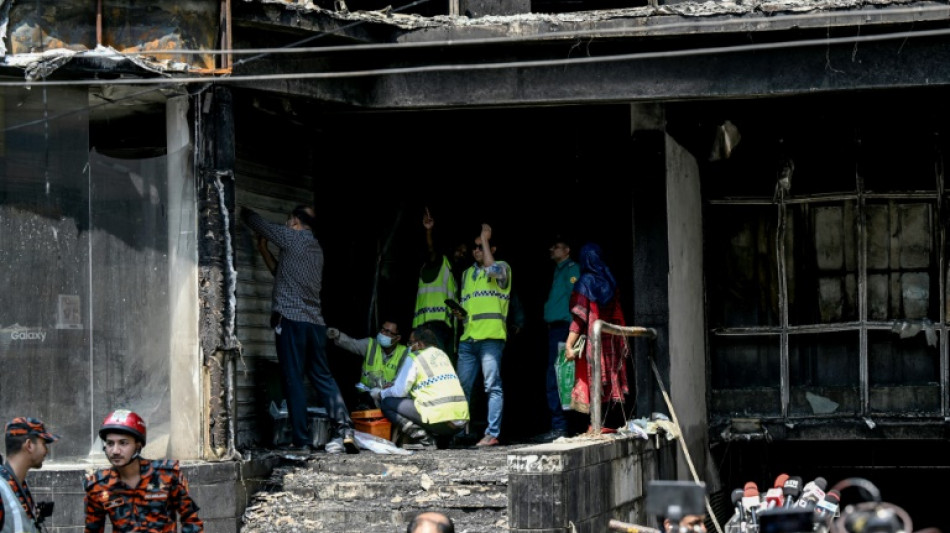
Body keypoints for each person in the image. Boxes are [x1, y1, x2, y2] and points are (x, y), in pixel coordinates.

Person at [241, 204, 359, 455]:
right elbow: (281, 273)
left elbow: (258, 223)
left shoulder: (291, 238)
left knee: (293, 379)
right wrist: (263, 249)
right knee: (323, 378)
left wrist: (243, 211)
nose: (287, 223)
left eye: (289, 219)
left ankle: (301, 440)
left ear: (295, 221)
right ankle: (345, 429)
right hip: (315, 324)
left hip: (292, 322)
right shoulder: (316, 249)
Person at [84, 410, 203, 533]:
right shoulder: (98, 486)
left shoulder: (167, 475)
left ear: (138, 445)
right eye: (110, 443)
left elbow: (191, 519)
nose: (115, 451)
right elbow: (92, 529)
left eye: (123, 443)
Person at [451, 223, 512, 447]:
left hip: (491, 339)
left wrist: (485, 238)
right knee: (462, 387)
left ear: (491, 248)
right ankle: (460, 432)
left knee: (492, 386)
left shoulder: (502, 267)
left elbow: (493, 270)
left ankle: (492, 433)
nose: (476, 250)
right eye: (475, 247)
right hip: (468, 339)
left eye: (481, 246)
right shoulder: (467, 274)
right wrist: (461, 315)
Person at [564, 242, 631, 430]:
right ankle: (608, 423)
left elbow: (580, 318)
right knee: (609, 378)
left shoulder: (585, 282)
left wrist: (569, 344)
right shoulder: (611, 280)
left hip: (594, 341)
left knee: (593, 379)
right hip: (611, 341)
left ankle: (595, 424)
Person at [372, 326, 469, 449]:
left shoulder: (415, 357)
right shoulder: (442, 355)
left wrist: (380, 393)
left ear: (419, 344)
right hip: (460, 422)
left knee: (387, 403)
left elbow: (399, 392)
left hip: (441, 420)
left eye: (410, 343)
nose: (409, 347)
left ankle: (424, 438)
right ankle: (441, 439)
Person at [534, 235, 579, 443]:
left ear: (567, 250)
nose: (552, 250)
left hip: (565, 329)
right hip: (556, 329)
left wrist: (573, 330)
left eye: (557, 246)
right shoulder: (558, 271)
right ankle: (560, 425)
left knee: (559, 377)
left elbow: (576, 301)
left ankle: (561, 426)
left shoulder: (572, 269)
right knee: (557, 376)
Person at [327, 320, 410, 409]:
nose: (382, 333)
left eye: (387, 332)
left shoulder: (405, 353)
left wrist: (391, 386)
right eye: (382, 329)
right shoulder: (371, 344)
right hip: (365, 395)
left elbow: (404, 378)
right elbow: (353, 344)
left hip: (388, 397)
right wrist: (338, 335)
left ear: (397, 338)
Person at [412, 208, 458, 354]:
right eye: (459, 251)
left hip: (443, 328)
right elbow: (431, 251)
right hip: (430, 326)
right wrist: (429, 231)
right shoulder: (438, 263)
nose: (461, 254)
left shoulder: (452, 275)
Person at [0, 417, 59, 533]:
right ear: (29, 445)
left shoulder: (19, 485)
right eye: (44, 444)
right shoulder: (2, 490)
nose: (46, 451)